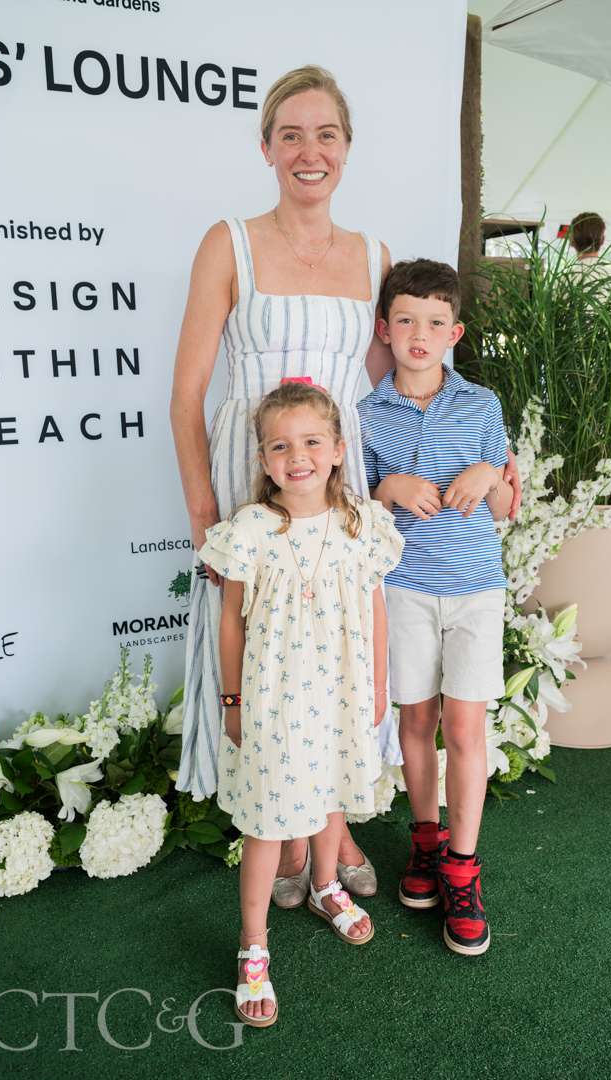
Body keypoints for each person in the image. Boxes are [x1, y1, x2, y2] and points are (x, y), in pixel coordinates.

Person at [170, 65, 401, 905]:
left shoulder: (375, 255)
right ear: (266, 147)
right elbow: (187, 389)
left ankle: (330, 837)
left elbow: (389, 376)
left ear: (346, 148)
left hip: (335, 477)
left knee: (339, 651)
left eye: (326, 134)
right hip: (250, 475)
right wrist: (207, 512)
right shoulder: (227, 240)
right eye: (291, 134)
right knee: (264, 666)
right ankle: (283, 837)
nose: (310, 151)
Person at [198, 380, 404, 1026]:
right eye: (280, 446)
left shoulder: (360, 524)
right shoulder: (251, 530)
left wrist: (376, 687)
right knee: (265, 822)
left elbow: (374, 607)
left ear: (338, 449)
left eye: (312, 442)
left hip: (340, 690)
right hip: (271, 697)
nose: (298, 457)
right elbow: (230, 621)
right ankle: (252, 946)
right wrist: (232, 700)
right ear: (263, 460)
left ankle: (324, 886)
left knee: (330, 796)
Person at [357, 259, 512, 958]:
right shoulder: (363, 414)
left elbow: (505, 507)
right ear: (384, 329)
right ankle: (424, 840)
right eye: (405, 320)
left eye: (434, 322)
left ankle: (462, 865)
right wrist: (387, 485)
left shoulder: (481, 405)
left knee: (466, 726)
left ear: (455, 331)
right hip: (404, 588)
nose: (419, 334)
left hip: (476, 587)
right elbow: (348, 511)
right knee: (415, 718)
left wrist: (488, 474)